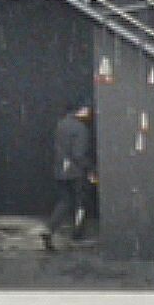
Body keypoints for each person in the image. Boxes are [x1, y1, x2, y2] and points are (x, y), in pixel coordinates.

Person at [51, 102, 99, 243]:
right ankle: (77, 233)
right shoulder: (81, 129)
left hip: (60, 170)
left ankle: (50, 228)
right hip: (77, 172)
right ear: (83, 110)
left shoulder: (61, 124)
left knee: (65, 201)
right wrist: (91, 170)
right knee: (81, 202)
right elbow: (79, 154)